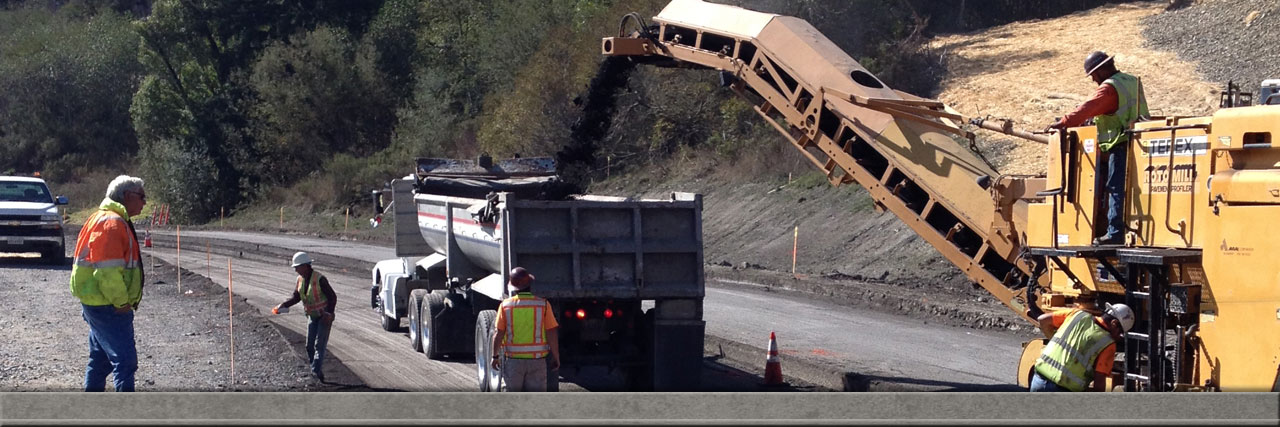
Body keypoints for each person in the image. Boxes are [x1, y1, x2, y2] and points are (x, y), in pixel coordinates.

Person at [1047, 51, 1149, 245]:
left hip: (1120, 141)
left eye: (1093, 74)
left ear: (1101, 70)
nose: (1093, 79)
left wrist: (1063, 123)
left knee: (1115, 187)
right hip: (1141, 140)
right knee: (1132, 188)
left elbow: (1089, 107)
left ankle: (1115, 233)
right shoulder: (1130, 80)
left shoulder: (1109, 89)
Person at [70, 175, 147, 392]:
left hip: (97, 301)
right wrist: (121, 303)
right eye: (142, 197)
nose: (144, 203)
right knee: (125, 361)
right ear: (127, 196)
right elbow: (107, 272)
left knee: (101, 360)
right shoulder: (112, 223)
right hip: (108, 305)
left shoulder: (106, 218)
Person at [1029, 302, 1135, 392]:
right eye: (1120, 332)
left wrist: (1054, 339)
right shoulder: (1108, 344)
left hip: (1038, 381)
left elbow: (1042, 319)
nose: (1119, 336)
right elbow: (1099, 383)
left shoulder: (1076, 314)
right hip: (1064, 391)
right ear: (1114, 323)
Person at [489, 267, 561, 392]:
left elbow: (498, 333)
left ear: (513, 287)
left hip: (513, 362)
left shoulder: (505, 306)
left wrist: (495, 357)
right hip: (537, 361)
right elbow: (551, 332)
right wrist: (556, 356)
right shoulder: (543, 305)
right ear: (530, 285)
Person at [272, 252, 337, 382]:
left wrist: (329, 313)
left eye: (297, 267)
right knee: (309, 346)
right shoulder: (300, 280)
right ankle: (317, 372)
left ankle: (314, 372)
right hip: (312, 316)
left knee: (319, 345)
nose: (296, 270)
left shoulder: (320, 279)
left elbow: (332, 297)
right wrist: (283, 305)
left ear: (306, 266)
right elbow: (297, 297)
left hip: (324, 317)